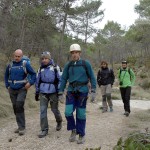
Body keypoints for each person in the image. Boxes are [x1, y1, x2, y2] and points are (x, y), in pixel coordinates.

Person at [58, 44, 96, 144]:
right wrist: (60, 92)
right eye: (73, 53)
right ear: (71, 54)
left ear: (79, 53)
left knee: (80, 114)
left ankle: (81, 134)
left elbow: (92, 77)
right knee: (68, 112)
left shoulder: (85, 63)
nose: (74, 54)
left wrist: (93, 91)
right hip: (71, 91)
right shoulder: (68, 65)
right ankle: (73, 130)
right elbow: (63, 79)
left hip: (83, 91)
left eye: (76, 52)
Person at [4, 49, 36, 135]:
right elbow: (6, 75)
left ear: (22, 56)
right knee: (15, 107)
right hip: (12, 89)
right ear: (13, 56)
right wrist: (7, 85)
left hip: (22, 89)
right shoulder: (10, 65)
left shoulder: (25, 64)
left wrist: (30, 83)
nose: (17, 58)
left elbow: (34, 74)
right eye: (16, 56)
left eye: (19, 56)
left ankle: (22, 127)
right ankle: (19, 125)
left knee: (19, 105)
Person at [35, 51, 62, 138]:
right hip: (43, 92)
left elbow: (60, 79)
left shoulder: (55, 68)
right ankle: (44, 130)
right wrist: (37, 92)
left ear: (49, 58)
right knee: (43, 110)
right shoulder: (40, 69)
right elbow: (37, 81)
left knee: (54, 110)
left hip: (53, 92)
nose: (44, 60)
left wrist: (59, 91)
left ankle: (59, 121)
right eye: (42, 58)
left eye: (46, 58)